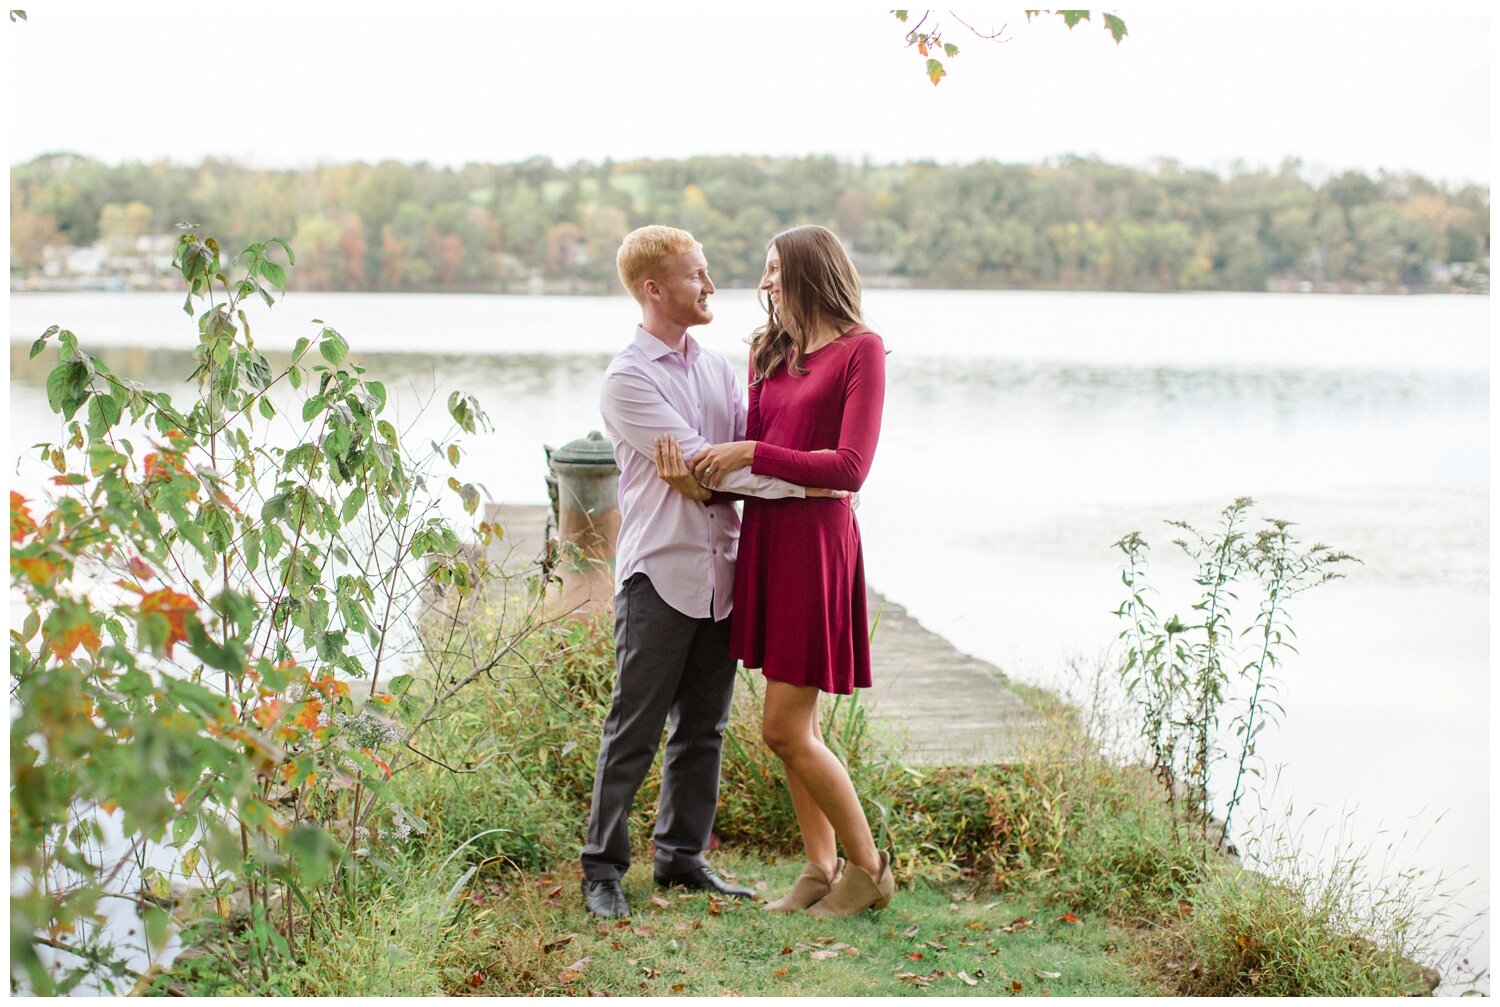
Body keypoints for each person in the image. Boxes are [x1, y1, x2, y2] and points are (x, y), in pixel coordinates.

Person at [580, 225, 843, 919]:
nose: (712, 285)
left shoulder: (720, 370)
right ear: (653, 288)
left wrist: (723, 477)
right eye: (697, 274)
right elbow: (704, 462)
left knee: (705, 727)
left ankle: (681, 856)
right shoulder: (628, 378)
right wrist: (792, 484)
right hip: (660, 573)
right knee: (632, 728)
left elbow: (733, 465)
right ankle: (602, 869)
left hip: (722, 571)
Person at [667, 224, 892, 918]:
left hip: (817, 548)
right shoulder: (769, 351)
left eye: (773, 269)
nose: (763, 283)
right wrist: (700, 480)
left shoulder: (862, 351)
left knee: (783, 727)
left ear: (807, 272)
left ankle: (869, 868)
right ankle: (820, 866)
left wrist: (746, 453)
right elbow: (762, 467)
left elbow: (849, 467)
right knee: (801, 727)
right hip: (768, 541)